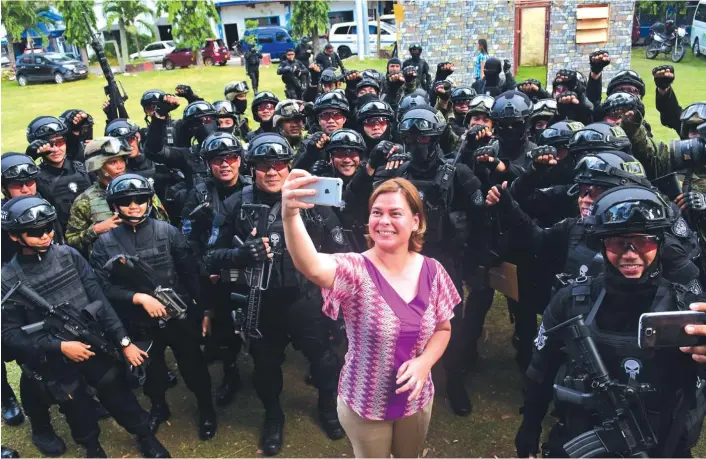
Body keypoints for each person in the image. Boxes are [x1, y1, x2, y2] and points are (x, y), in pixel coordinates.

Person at [514, 185, 706, 458]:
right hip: (582, 437)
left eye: (643, 242)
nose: (630, 253)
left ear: (660, 244)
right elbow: (540, 371)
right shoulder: (571, 301)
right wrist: (529, 428)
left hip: (661, 447)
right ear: (601, 245)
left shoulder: (685, 309)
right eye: (618, 243)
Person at [281, 174, 459, 457]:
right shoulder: (356, 270)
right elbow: (312, 266)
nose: (384, 221)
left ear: (416, 222)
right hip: (365, 402)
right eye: (377, 212)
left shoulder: (433, 271)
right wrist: (290, 214)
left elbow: (443, 329)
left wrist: (425, 363)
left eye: (395, 213)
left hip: (417, 399)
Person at [206, 133, 347, 455]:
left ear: (289, 167)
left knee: (324, 361)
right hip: (260, 302)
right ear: (252, 169)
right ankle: (273, 417)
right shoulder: (235, 204)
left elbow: (342, 252)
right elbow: (209, 256)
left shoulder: (312, 200)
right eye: (263, 166)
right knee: (265, 368)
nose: (272, 172)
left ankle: (328, 408)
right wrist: (241, 255)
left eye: (279, 165)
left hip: (305, 299)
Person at [1, 196, 170, 458]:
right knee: (77, 408)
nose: (45, 236)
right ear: (14, 236)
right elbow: (9, 334)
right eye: (35, 232)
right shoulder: (7, 279)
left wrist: (123, 342)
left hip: (94, 345)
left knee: (119, 394)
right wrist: (58, 346)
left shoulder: (68, 255)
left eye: (48, 228)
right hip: (54, 361)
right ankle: (92, 447)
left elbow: (99, 299)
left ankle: (145, 436)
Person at [89, 174, 217, 441]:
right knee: (152, 374)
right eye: (125, 201)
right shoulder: (103, 244)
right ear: (115, 206)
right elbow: (101, 289)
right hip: (139, 322)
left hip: (177, 316)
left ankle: (206, 408)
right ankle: (159, 407)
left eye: (140, 200)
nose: (133, 206)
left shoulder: (167, 232)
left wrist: (204, 311)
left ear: (149, 201)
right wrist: (138, 297)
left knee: (193, 368)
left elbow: (191, 275)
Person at [180, 132, 251, 406]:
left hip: (247, 268)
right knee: (220, 328)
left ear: (240, 160)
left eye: (231, 158)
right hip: (212, 273)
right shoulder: (198, 194)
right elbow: (187, 238)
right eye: (217, 160)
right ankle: (230, 370)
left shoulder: (251, 188)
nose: (225, 164)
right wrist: (204, 267)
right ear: (208, 164)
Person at [66, 137, 169, 257]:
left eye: (121, 160)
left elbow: (165, 224)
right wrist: (95, 230)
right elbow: (71, 242)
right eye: (113, 162)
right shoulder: (85, 201)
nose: (120, 166)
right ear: (99, 165)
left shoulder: (142, 189)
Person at [25, 116, 93, 232]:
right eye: (49, 144)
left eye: (60, 142)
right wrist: (28, 159)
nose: (55, 149)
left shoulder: (82, 168)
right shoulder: (35, 178)